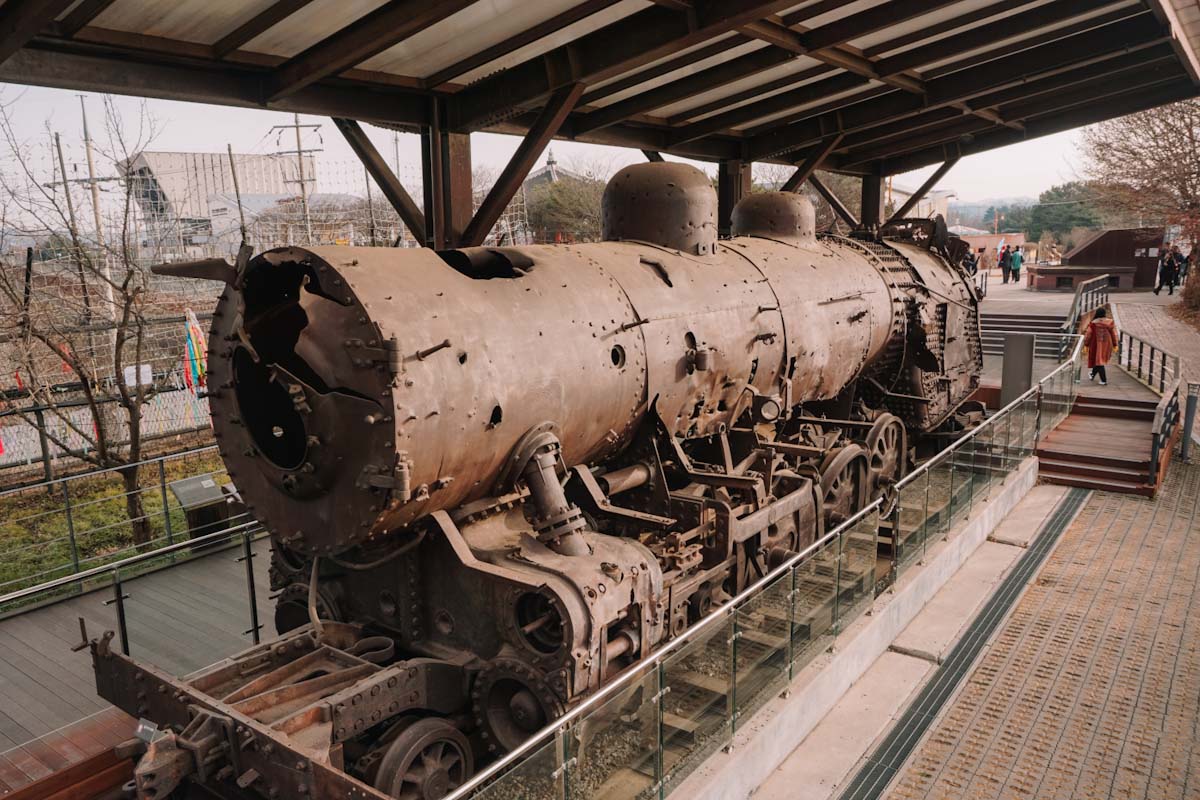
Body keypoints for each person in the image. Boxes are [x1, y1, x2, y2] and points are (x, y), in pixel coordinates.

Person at [1085, 307, 1118, 385]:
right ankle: (1092, 374)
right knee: (1099, 360)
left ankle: (1103, 380)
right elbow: (1113, 334)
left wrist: (1086, 344)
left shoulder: (1093, 324)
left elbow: (1088, 335)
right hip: (1107, 345)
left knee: (1099, 362)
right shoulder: (1109, 323)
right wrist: (1115, 344)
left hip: (1096, 345)